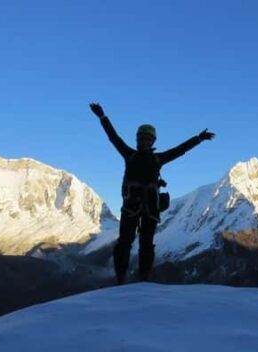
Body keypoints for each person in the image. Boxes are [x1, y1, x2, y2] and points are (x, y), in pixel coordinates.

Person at [89, 102, 215, 284]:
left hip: (146, 208)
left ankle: (143, 279)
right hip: (137, 207)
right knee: (125, 243)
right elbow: (113, 137)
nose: (144, 142)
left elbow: (180, 150)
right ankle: (122, 279)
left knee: (145, 245)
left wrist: (198, 138)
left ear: (153, 141)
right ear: (138, 140)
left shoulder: (154, 158)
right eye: (141, 139)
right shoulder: (132, 155)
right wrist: (102, 117)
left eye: (147, 139)